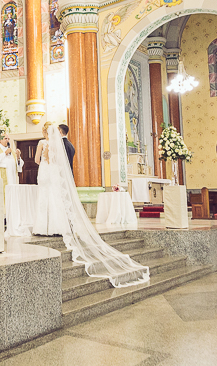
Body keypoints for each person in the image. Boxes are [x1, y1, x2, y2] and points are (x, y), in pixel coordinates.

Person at [33, 121, 149, 288]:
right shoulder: (61, 144)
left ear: (45, 132)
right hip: (56, 175)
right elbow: (61, 163)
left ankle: (44, 227)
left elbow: (37, 160)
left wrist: (43, 163)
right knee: (55, 200)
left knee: (46, 200)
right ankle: (58, 227)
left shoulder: (42, 143)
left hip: (45, 174)